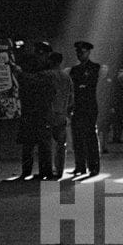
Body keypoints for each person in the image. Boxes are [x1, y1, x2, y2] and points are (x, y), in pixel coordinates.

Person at [11, 41, 54, 179]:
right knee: (28, 142)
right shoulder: (31, 66)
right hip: (30, 108)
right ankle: (26, 170)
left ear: (47, 55)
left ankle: (45, 171)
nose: (38, 56)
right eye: (37, 53)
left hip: (42, 109)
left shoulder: (49, 69)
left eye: (41, 54)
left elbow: (38, 81)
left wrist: (20, 73)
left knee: (43, 143)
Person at [69, 40, 101, 176]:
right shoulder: (74, 70)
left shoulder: (95, 67)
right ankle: (80, 165)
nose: (79, 55)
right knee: (77, 137)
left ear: (88, 52)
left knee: (90, 137)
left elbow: (90, 84)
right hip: (78, 106)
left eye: (82, 52)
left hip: (89, 105)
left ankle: (93, 166)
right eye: (78, 52)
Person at [46, 51, 74, 179]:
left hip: (50, 112)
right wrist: (68, 111)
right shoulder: (66, 77)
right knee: (61, 143)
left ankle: (49, 169)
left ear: (51, 61)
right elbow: (71, 96)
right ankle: (60, 169)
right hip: (62, 113)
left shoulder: (48, 75)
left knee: (49, 142)